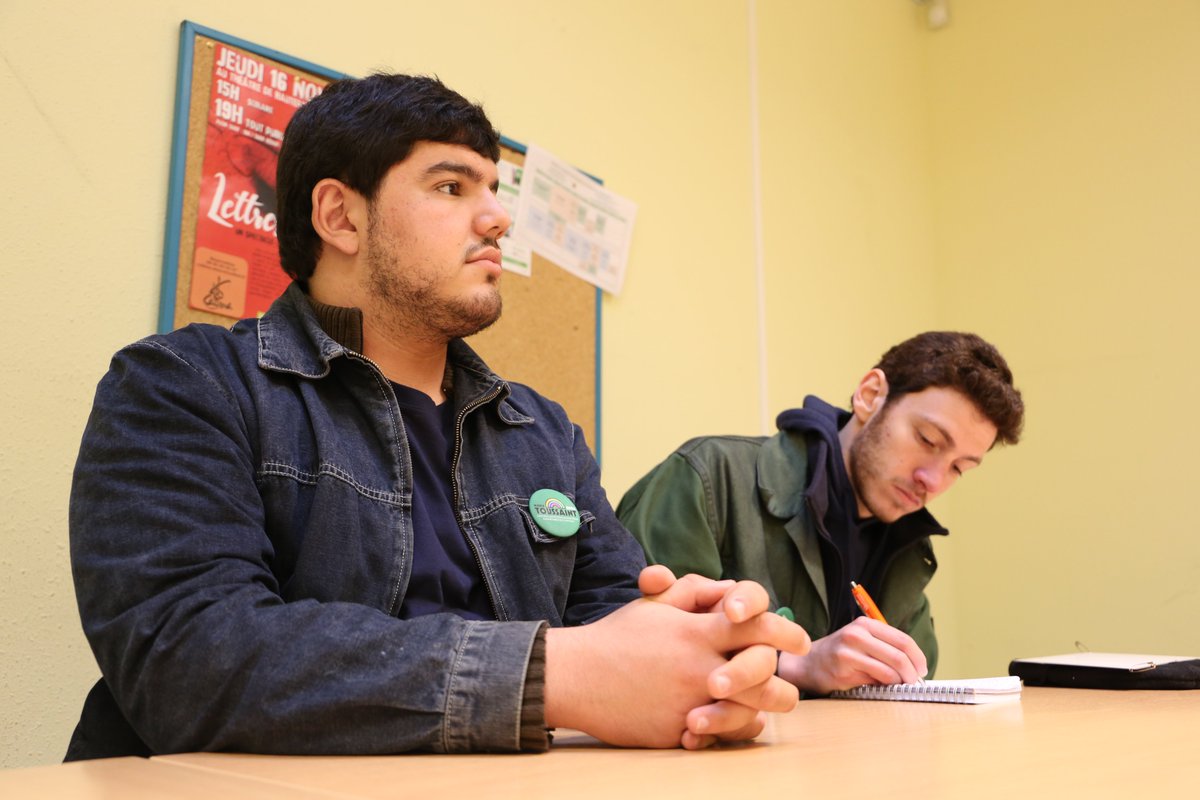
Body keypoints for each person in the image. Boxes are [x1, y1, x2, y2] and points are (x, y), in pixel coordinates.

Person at [65, 73, 809, 761]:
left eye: (496, 189)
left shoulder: (543, 433)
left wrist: (708, 664)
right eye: (452, 186)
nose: (499, 219)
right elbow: (184, 658)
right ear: (340, 217)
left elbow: (616, 620)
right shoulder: (185, 384)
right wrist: (553, 676)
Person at [617, 332, 1023, 695]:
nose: (932, 481)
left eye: (958, 468)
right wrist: (798, 664)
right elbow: (633, 653)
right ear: (869, 396)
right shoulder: (709, 478)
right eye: (927, 439)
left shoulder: (910, 550)